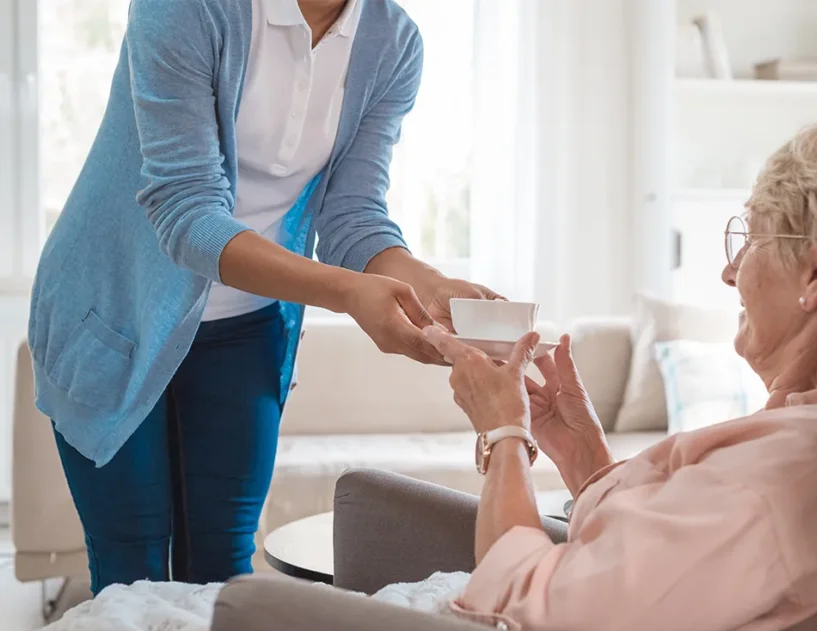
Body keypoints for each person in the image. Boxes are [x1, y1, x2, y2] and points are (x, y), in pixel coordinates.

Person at [27, 0, 497, 595]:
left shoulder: (391, 42)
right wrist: (349, 294)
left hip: (248, 322)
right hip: (112, 313)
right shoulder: (185, 10)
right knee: (133, 575)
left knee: (225, 571)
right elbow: (186, 211)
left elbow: (352, 214)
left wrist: (428, 285)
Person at [421, 113, 817, 631]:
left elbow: (528, 625)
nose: (730, 272)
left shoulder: (783, 477)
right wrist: (584, 458)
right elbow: (677, 575)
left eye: (751, 237)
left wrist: (505, 432)